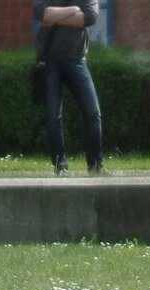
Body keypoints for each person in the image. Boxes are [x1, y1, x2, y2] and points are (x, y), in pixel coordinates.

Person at [35, 2, 105, 175]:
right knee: (53, 116)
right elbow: (40, 13)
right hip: (50, 62)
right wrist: (73, 11)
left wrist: (55, 17)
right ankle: (61, 167)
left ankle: (96, 166)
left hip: (77, 61)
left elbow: (90, 18)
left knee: (92, 113)